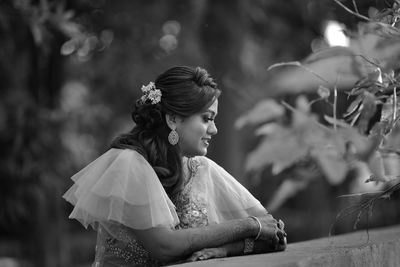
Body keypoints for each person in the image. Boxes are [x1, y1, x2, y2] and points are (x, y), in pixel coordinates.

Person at [63, 66, 287, 267]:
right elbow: (164, 246)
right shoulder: (129, 163)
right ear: (172, 119)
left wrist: (223, 249)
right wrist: (248, 226)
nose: (214, 130)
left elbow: (272, 236)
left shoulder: (203, 169)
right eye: (207, 118)